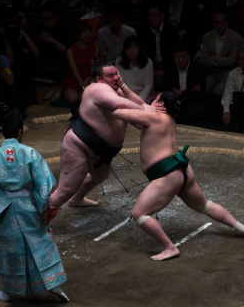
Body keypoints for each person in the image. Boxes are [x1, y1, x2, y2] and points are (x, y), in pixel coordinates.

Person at [112, 91, 244, 261]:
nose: (150, 102)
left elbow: (119, 113)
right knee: (204, 205)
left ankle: (170, 248)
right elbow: (140, 107)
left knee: (139, 213)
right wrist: (123, 89)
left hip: (167, 175)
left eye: (154, 100)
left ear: (160, 105)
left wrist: (140, 107)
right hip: (182, 170)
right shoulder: (168, 119)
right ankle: (241, 228)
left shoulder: (153, 117)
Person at [0, 108, 69, 303]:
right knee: (40, 242)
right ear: (20, 132)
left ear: (4, 132)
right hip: (29, 206)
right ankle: (53, 283)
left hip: (7, 209)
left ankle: (6, 291)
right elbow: (44, 183)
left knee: (11, 247)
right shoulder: (30, 153)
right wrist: (44, 207)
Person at [47, 63, 165, 209]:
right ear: (99, 79)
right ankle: (36, 220)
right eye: (110, 75)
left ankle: (76, 200)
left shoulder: (118, 92)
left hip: (101, 151)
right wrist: (147, 111)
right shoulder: (97, 89)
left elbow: (138, 111)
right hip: (80, 146)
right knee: (65, 191)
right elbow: (118, 103)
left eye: (117, 74)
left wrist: (149, 112)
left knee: (100, 175)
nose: (116, 78)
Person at [195, 8, 242, 98]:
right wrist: (224, 59)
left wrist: (213, 58)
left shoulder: (236, 38)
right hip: (212, 72)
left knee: (217, 92)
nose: (219, 25)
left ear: (227, 22)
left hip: (228, 74)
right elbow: (203, 59)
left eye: (222, 22)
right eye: (216, 23)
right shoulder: (207, 36)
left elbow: (232, 60)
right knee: (199, 88)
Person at [163, 40, 210, 124]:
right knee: (157, 102)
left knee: (200, 109)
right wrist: (189, 92)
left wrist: (180, 92)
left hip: (192, 102)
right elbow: (166, 88)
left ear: (189, 55)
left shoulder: (198, 68)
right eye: (177, 57)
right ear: (174, 57)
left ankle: (177, 116)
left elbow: (200, 93)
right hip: (175, 101)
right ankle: (178, 116)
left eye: (183, 57)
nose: (180, 60)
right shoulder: (169, 68)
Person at [140, 2, 179, 93]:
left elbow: (177, 53)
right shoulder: (144, 31)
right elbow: (143, 53)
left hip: (169, 65)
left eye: (155, 15)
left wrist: (164, 70)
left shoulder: (171, 30)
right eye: (149, 16)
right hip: (150, 65)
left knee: (159, 83)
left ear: (162, 16)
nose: (152, 19)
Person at [61, 20, 98, 105]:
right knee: (72, 98)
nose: (88, 34)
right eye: (84, 32)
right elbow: (75, 72)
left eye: (89, 31)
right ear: (77, 34)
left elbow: (95, 66)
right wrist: (83, 87)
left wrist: (86, 82)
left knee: (83, 99)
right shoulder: (71, 50)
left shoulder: (94, 45)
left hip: (89, 77)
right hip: (74, 79)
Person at [116, 35, 156, 103]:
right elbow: (121, 83)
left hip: (144, 94)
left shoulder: (148, 62)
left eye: (133, 48)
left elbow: (148, 86)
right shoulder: (119, 61)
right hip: (126, 93)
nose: (131, 51)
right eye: (128, 48)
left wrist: (139, 99)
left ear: (139, 49)